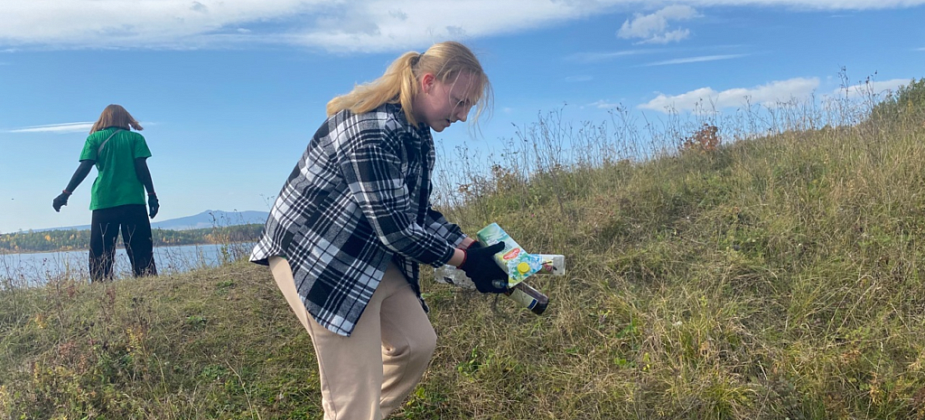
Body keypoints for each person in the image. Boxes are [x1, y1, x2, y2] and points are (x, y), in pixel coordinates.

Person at [250, 41, 508, 420]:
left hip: (368, 248)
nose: (464, 115)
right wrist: (466, 261)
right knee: (354, 387)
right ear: (429, 82)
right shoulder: (372, 127)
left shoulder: (417, 134)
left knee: (415, 344)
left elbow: (415, 211)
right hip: (316, 255)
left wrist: (470, 245)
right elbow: (399, 231)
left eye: (469, 105)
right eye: (459, 101)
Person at [52, 104, 160, 282]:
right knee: (141, 250)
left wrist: (66, 193)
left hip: (104, 202)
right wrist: (152, 195)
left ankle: (102, 291)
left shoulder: (94, 139)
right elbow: (142, 169)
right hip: (133, 201)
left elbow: (84, 167)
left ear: (104, 119)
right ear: (125, 118)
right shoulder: (135, 139)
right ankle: (148, 287)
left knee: (100, 253)